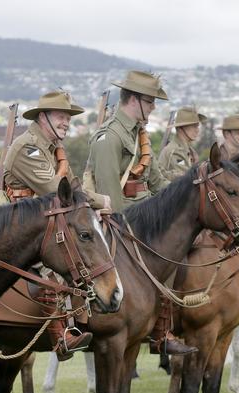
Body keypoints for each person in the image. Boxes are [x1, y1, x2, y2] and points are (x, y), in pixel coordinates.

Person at [86, 70, 196, 355]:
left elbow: (159, 184)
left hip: (148, 216)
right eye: (150, 102)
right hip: (128, 223)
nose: (153, 107)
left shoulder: (139, 134)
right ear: (134, 100)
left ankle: (161, 330)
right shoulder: (109, 138)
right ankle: (157, 331)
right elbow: (111, 199)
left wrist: (189, 200)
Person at [0, 90, 99, 360]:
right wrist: (102, 199)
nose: (66, 122)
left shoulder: (55, 151)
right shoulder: (27, 147)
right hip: (14, 222)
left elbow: (73, 188)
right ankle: (61, 338)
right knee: (53, 265)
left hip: (40, 223)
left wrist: (96, 207)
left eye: (68, 117)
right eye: (61, 116)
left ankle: (82, 324)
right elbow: (55, 190)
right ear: (43, 118)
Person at [157, 106, 207, 181]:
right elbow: (186, 178)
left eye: (197, 126)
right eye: (194, 126)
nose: (197, 130)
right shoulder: (175, 151)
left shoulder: (189, 150)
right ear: (180, 128)